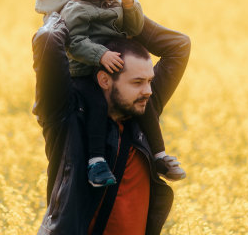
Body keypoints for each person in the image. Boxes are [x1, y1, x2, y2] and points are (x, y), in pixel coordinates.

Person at [35, 0, 185, 188]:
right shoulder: (76, 8)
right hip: (84, 73)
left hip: (110, 73)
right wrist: (100, 55)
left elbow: (135, 29)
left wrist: (130, 6)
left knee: (143, 102)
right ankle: (96, 162)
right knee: (96, 104)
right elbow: (74, 42)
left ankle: (159, 155)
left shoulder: (116, 4)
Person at [32, 12, 191, 235]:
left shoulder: (144, 111)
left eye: (150, 81)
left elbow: (179, 46)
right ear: (104, 80)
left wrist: (124, 15)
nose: (147, 91)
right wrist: (73, 13)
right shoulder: (68, 116)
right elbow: (47, 40)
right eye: (137, 82)